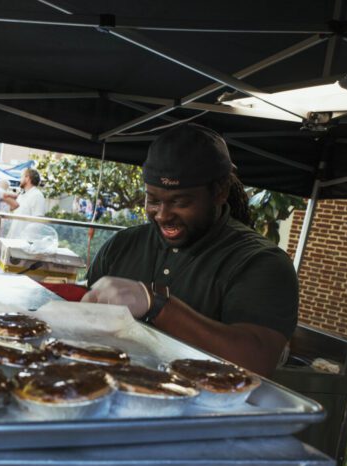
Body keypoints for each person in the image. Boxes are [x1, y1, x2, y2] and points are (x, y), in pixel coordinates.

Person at [82, 123, 298, 376]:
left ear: (220, 193)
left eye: (180, 202)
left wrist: (157, 305)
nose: (162, 215)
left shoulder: (261, 262)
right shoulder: (122, 245)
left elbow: (257, 361)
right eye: (153, 200)